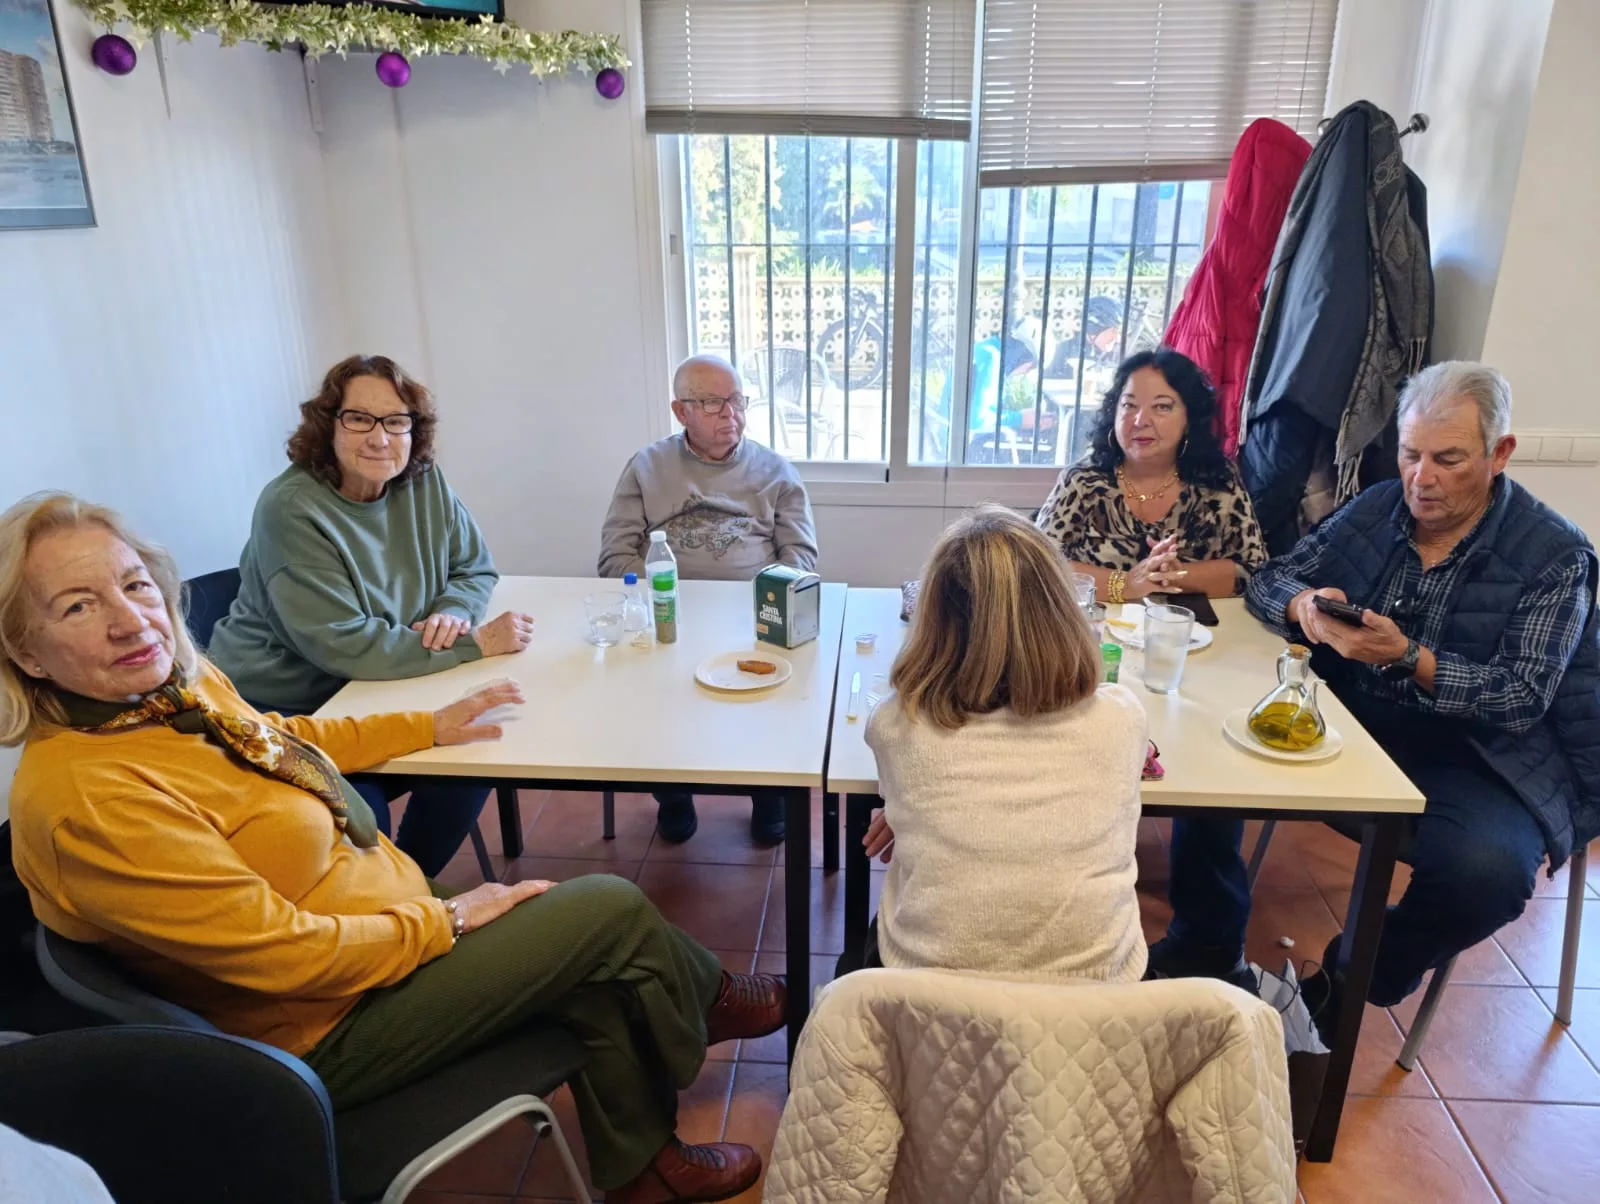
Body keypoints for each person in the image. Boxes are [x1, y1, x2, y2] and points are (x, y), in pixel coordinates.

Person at [1, 493, 786, 1203]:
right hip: (323, 1026)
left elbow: (282, 739)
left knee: (592, 960)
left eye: (135, 584)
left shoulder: (168, 693)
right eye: (78, 605)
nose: (130, 620)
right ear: (26, 651)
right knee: (605, 910)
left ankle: (646, 1165)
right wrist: (448, 921)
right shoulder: (88, 801)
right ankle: (707, 1000)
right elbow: (288, 958)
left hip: (375, 938)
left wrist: (427, 724)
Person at [1149, 362, 1600, 1029]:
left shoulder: (1555, 555)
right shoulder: (1379, 506)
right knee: (1211, 740)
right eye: (1411, 454)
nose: (1422, 478)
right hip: (1358, 714)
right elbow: (1270, 578)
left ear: (1499, 453)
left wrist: (1412, 659)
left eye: (1448, 459)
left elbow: (1520, 697)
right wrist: (1304, 605)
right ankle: (1207, 942)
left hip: (1481, 754)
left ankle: (1349, 977)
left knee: (1485, 875)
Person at [208, 355, 535, 877]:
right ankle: (385, 897)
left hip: (383, 686)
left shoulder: (423, 481)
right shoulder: (290, 509)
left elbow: (473, 566)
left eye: (396, 421)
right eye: (359, 418)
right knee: (358, 813)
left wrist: (454, 611)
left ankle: (409, 886)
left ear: (414, 430)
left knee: (473, 754)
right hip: (291, 705)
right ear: (328, 424)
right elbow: (344, 644)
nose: (380, 438)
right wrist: (473, 643)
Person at [861, 506, 1150, 982]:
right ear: (1063, 612)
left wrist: (905, 810)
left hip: (928, 995)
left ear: (931, 622)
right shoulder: (1122, 718)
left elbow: (924, 789)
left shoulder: (896, 725)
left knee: (858, 962)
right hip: (1096, 1000)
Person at [599, 355, 819, 846]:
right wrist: (662, 603)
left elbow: (801, 556)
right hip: (668, 617)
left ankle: (769, 795)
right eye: (714, 403)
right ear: (681, 411)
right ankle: (673, 795)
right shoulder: (647, 467)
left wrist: (765, 604)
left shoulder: (776, 471)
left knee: (778, 690)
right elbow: (615, 555)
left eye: (737, 400)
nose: (731, 413)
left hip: (753, 618)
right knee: (654, 692)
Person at [1035, 348, 1268, 602]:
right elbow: (1034, 564)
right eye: (1129, 405)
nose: (1140, 420)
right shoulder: (1083, 480)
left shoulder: (1218, 481)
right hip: (1094, 624)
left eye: (1161, 407)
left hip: (1191, 625)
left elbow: (1256, 573)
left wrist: (1170, 575)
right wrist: (1125, 584)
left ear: (1189, 418)